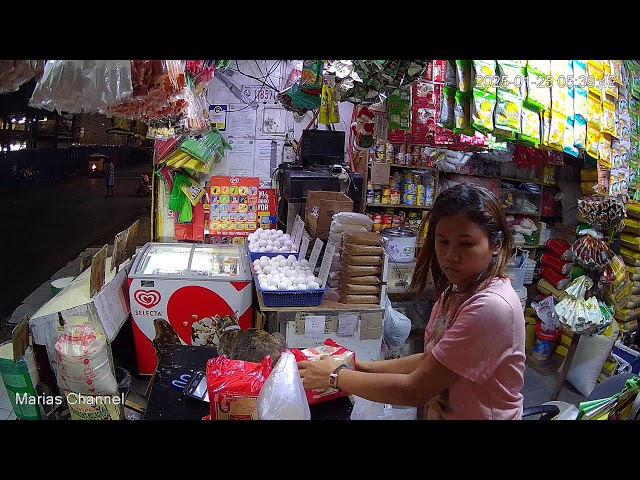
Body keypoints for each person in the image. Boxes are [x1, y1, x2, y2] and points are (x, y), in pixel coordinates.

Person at [297, 183, 526, 420]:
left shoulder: (491, 307)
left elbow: (415, 389)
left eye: (466, 244)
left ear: (496, 245)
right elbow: (432, 360)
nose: (450, 256)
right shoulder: (457, 291)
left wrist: (336, 377)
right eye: (443, 241)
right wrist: (361, 367)